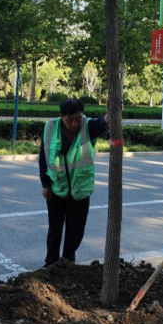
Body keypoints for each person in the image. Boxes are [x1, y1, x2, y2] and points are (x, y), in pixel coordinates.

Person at [39, 98, 109, 267]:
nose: (75, 123)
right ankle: (51, 264)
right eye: (70, 119)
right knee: (54, 230)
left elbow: (103, 123)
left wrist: (111, 112)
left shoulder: (88, 127)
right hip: (57, 189)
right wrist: (45, 184)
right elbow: (44, 157)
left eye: (78, 117)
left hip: (80, 191)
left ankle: (67, 263)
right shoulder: (50, 128)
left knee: (75, 232)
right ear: (61, 117)